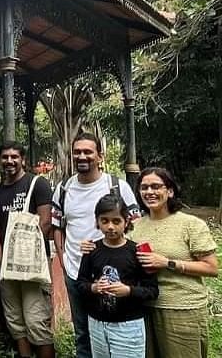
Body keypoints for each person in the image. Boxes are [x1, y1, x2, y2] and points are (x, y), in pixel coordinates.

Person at [51, 133, 139, 358]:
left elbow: (135, 227)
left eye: (88, 152)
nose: (82, 156)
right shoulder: (63, 189)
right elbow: (58, 227)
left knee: (116, 329)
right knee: (82, 333)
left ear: (100, 156)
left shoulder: (117, 187)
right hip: (75, 272)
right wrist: (62, 259)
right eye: (77, 152)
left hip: (114, 273)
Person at [128, 167, 218, 358]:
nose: (149, 192)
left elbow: (211, 268)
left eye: (155, 186)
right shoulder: (135, 227)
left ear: (170, 191)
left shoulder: (190, 224)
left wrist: (167, 263)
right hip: (144, 309)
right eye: (144, 188)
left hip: (182, 310)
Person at [0, 141, 55, 358]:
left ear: (22, 159)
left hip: (33, 267)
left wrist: (25, 257)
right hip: (7, 269)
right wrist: (2, 261)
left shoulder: (38, 184)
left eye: (14, 157)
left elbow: (46, 223)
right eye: (5, 157)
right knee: (15, 321)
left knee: (36, 321)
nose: (9, 161)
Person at [75, 194, 158, 358]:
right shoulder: (92, 250)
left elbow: (152, 290)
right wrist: (94, 287)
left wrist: (128, 291)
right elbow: (80, 284)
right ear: (97, 222)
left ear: (126, 221)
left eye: (116, 221)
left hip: (129, 326)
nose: (110, 226)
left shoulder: (138, 252)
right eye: (104, 221)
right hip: (97, 324)